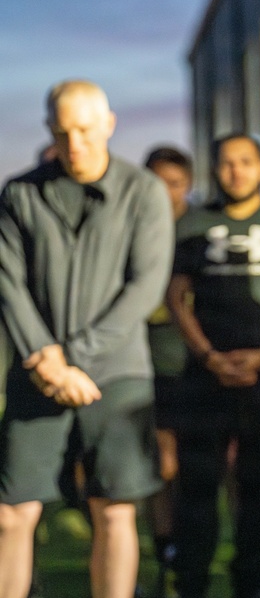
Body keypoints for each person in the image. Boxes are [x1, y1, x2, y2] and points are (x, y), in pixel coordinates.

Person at [0, 80, 173, 598]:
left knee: (115, 511)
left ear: (108, 125)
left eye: (84, 129)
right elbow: (8, 282)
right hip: (38, 372)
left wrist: (70, 359)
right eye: (61, 130)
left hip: (119, 374)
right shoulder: (20, 193)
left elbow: (145, 288)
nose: (73, 142)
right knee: (11, 514)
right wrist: (44, 359)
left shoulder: (143, 192)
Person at [167, 133, 260, 598]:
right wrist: (210, 357)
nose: (236, 171)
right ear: (215, 170)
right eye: (227, 163)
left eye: (246, 162)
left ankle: (253, 578)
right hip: (204, 378)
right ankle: (191, 580)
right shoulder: (192, 223)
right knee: (197, 486)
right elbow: (175, 298)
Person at [143, 145, 194, 597]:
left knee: (220, 464)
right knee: (163, 464)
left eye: (175, 183)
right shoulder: (135, 229)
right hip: (154, 359)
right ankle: (165, 554)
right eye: (157, 182)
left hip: (199, 361)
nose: (166, 193)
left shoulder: (199, 229)